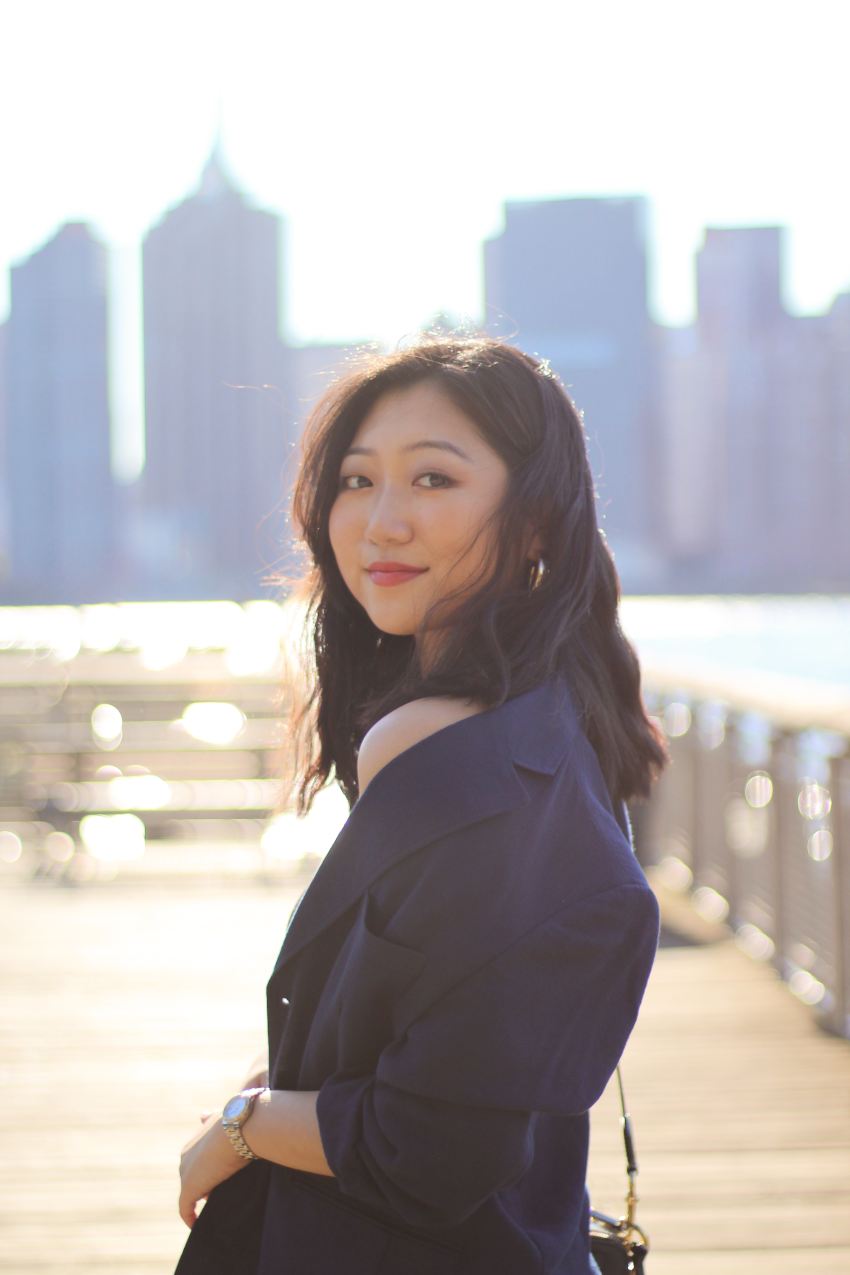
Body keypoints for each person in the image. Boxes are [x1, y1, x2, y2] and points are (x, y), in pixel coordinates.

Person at [174, 334, 668, 1275]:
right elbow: (409, 1040)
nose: (379, 522)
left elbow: (429, 1147)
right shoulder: (537, 717)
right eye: (357, 481)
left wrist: (243, 1124)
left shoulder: (458, 754)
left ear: (535, 525)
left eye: (434, 480)